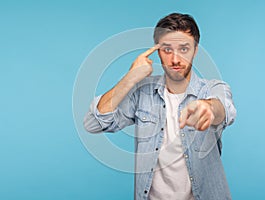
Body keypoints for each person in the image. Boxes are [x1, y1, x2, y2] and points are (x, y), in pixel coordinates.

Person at [84, 13, 236, 200]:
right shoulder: (142, 93)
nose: (175, 59)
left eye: (184, 49)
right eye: (167, 49)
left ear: (195, 50)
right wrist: (130, 77)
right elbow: (92, 123)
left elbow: (225, 110)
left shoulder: (212, 89)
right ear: (157, 51)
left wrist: (209, 109)